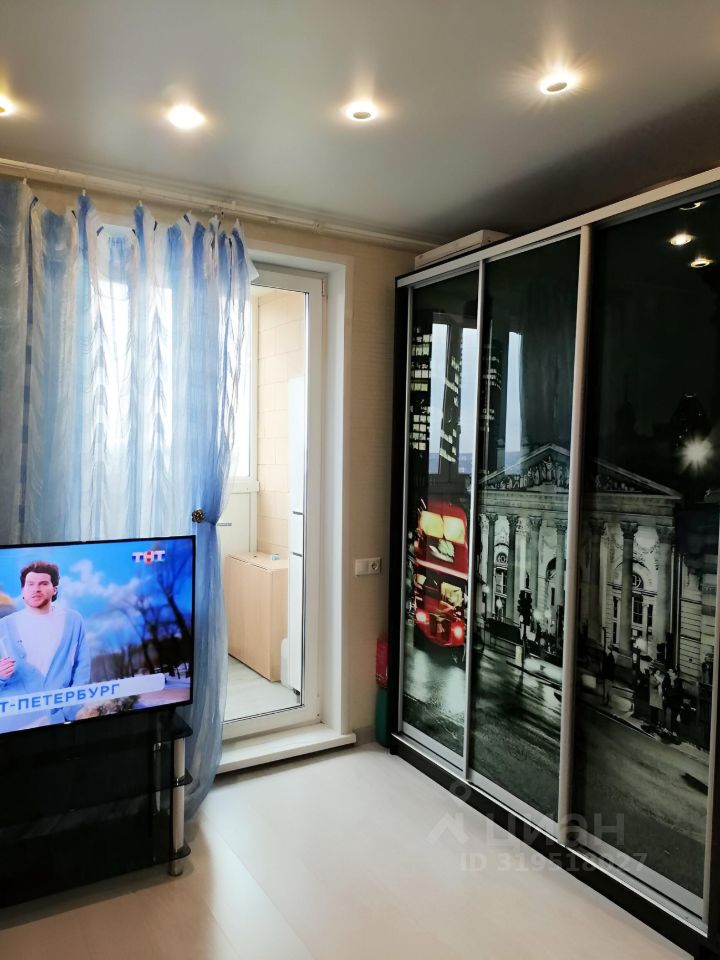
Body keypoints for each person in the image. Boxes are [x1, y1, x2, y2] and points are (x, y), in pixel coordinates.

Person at [0, 561, 89, 731]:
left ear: (54, 589)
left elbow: (82, 669)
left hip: (60, 722)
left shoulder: (73, 620)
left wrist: (72, 710)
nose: (36, 589)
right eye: (30, 584)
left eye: (43, 583)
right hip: (14, 726)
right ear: (23, 590)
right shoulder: (3, 626)